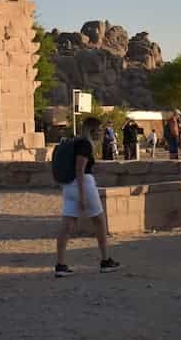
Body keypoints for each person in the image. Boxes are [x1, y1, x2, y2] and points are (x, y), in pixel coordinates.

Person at [54, 117, 120, 277]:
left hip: (68, 185)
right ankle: (105, 260)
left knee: (67, 225)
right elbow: (80, 169)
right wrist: (83, 196)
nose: (101, 133)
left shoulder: (75, 142)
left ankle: (60, 264)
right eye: (99, 130)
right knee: (99, 221)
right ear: (92, 130)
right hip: (83, 184)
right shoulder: (85, 144)